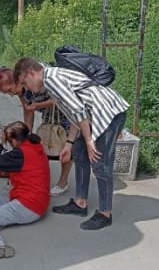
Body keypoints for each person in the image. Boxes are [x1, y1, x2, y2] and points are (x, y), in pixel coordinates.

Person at [14, 57, 129, 230]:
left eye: (25, 82)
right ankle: (80, 203)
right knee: (80, 153)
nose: (27, 88)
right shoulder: (48, 80)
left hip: (108, 114)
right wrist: (69, 143)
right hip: (90, 115)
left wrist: (90, 140)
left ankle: (105, 213)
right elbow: (74, 113)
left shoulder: (52, 79)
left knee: (100, 163)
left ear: (31, 73)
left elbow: (78, 110)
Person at [0, 121, 50, 263]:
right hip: (39, 201)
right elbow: (30, 170)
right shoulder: (35, 146)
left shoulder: (20, 153)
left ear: (14, 140)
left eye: (8, 140)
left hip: (28, 206)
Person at [0, 67, 73, 196]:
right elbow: (28, 109)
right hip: (49, 112)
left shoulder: (37, 81)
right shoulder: (21, 91)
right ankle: (39, 180)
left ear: (17, 81)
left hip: (66, 110)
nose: (11, 94)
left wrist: (39, 106)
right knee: (44, 143)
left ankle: (62, 182)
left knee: (65, 144)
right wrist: (26, 135)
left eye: (10, 90)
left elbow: (63, 98)